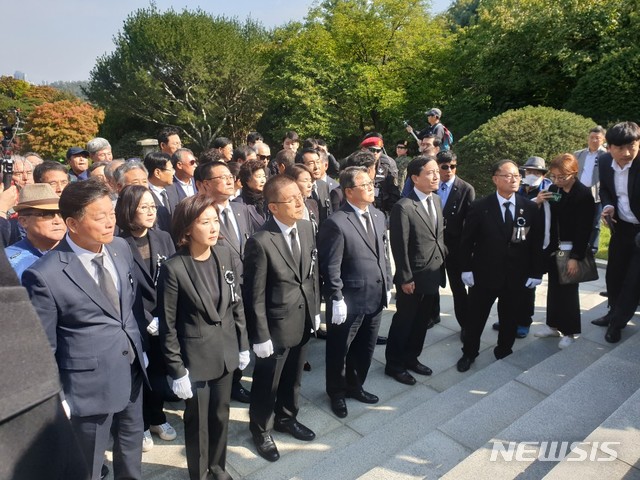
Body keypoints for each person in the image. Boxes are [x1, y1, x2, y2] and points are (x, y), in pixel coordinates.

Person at [22, 179, 148, 480]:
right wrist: (56, 396)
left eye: (112, 214)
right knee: (87, 465)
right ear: (72, 223)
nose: (109, 222)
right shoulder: (45, 275)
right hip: (87, 387)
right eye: (99, 216)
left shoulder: (119, 248)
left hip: (130, 371)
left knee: (131, 451)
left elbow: (126, 308)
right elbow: (44, 346)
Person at [158, 194, 249, 480]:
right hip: (194, 361)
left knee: (221, 415)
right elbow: (168, 325)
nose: (213, 228)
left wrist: (243, 344)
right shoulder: (174, 268)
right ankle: (199, 474)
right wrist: (176, 369)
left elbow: (236, 304)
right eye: (204, 222)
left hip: (225, 353)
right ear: (186, 229)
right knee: (198, 422)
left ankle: (218, 468)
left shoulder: (224, 255)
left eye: (215, 220)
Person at [243, 175, 320, 462]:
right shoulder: (260, 242)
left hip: (303, 317)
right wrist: (260, 335)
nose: (300, 202)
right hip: (275, 326)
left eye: (300, 196)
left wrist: (316, 309)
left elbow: (312, 273)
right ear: (273, 207)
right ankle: (261, 429)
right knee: (267, 383)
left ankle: (288, 417)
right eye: (292, 199)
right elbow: (255, 294)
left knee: (294, 378)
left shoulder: (305, 227)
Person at [456, 160, 544, 372]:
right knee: (475, 317)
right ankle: (469, 352)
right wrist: (466, 268)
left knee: (510, 316)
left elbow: (536, 242)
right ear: (495, 179)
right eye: (508, 176)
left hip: (516, 275)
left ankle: (504, 349)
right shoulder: (480, 207)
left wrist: (536, 271)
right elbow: (467, 241)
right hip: (484, 274)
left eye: (516, 176)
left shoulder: (529, 207)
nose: (514, 179)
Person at [318, 166, 392, 418]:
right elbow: (330, 266)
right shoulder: (336, 223)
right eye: (365, 185)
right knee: (340, 349)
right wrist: (335, 297)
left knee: (366, 346)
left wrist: (388, 282)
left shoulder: (379, 215)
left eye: (372, 183)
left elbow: (383, 253)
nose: (372, 188)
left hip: (376, 294)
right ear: (349, 191)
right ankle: (336, 392)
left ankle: (355, 384)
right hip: (349, 299)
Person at [115, 185, 178, 452]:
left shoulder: (162, 237)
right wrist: (145, 319)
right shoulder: (117, 244)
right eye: (144, 207)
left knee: (160, 370)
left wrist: (166, 314)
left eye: (153, 206)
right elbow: (121, 289)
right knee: (140, 374)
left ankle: (157, 417)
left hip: (164, 318)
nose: (152, 211)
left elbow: (174, 277)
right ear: (130, 210)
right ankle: (139, 425)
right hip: (136, 322)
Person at [195, 161, 256, 403]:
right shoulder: (199, 214)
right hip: (218, 287)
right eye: (222, 177)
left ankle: (236, 380)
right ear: (204, 185)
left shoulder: (241, 209)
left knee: (243, 333)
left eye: (230, 176)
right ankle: (225, 381)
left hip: (246, 284)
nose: (230, 180)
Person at [385, 157, 445, 385]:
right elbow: (399, 247)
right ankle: (394, 364)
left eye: (436, 171)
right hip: (412, 277)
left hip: (433, 273)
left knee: (422, 322)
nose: (436, 176)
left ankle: (412, 358)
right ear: (415, 178)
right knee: (405, 321)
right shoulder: (404, 207)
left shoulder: (437, 200)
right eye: (429, 173)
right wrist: (405, 277)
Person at [533, 154, 595, 348]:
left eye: (562, 177)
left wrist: (576, 257)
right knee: (554, 287)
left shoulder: (583, 195)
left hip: (572, 247)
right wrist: (539, 201)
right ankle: (552, 325)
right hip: (554, 247)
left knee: (568, 290)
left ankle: (569, 331)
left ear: (573, 174)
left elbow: (584, 229)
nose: (558, 181)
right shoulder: (553, 189)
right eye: (555, 176)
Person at [492, 156, 552, 338]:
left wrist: (539, 202)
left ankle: (524, 321)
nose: (532, 175)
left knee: (527, 287)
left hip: (534, 243)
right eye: (529, 172)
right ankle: (507, 318)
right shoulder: (519, 188)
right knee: (508, 286)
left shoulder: (548, 189)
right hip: (512, 242)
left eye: (536, 172)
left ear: (543, 174)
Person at [591, 122, 640, 343]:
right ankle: (612, 311)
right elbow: (605, 189)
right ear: (608, 147)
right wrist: (608, 205)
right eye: (619, 148)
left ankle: (617, 323)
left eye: (632, 146)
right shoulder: (603, 161)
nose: (627, 153)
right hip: (622, 227)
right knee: (614, 273)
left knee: (633, 279)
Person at [436, 151, 475, 338]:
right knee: (430, 285)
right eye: (444, 166)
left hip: (455, 247)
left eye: (453, 166)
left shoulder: (465, 189)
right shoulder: (431, 185)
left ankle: (466, 324)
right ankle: (430, 316)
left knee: (458, 289)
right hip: (434, 246)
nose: (449, 170)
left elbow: (470, 223)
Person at [5, 184, 66, 279]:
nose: (58, 221)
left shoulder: (82, 252)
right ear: (24, 221)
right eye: (47, 214)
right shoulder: (9, 262)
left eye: (61, 214)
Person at [575, 126, 607, 253]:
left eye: (597, 138)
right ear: (588, 138)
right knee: (577, 219)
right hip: (579, 192)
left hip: (596, 193)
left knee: (595, 223)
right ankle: (577, 244)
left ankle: (592, 248)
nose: (594, 140)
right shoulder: (579, 154)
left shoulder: (606, 155)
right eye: (592, 137)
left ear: (603, 139)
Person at [144, 152, 180, 234]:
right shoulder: (145, 194)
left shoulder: (173, 188)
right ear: (157, 173)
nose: (173, 173)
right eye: (171, 169)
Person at [233, 159, 268, 230]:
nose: (263, 180)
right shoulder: (238, 203)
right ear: (247, 180)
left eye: (264, 176)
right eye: (258, 177)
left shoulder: (269, 198)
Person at [285, 164, 320, 232]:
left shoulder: (312, 204)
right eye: (305, 181)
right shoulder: (286, 207)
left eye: (310, 181)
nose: (310, 185)